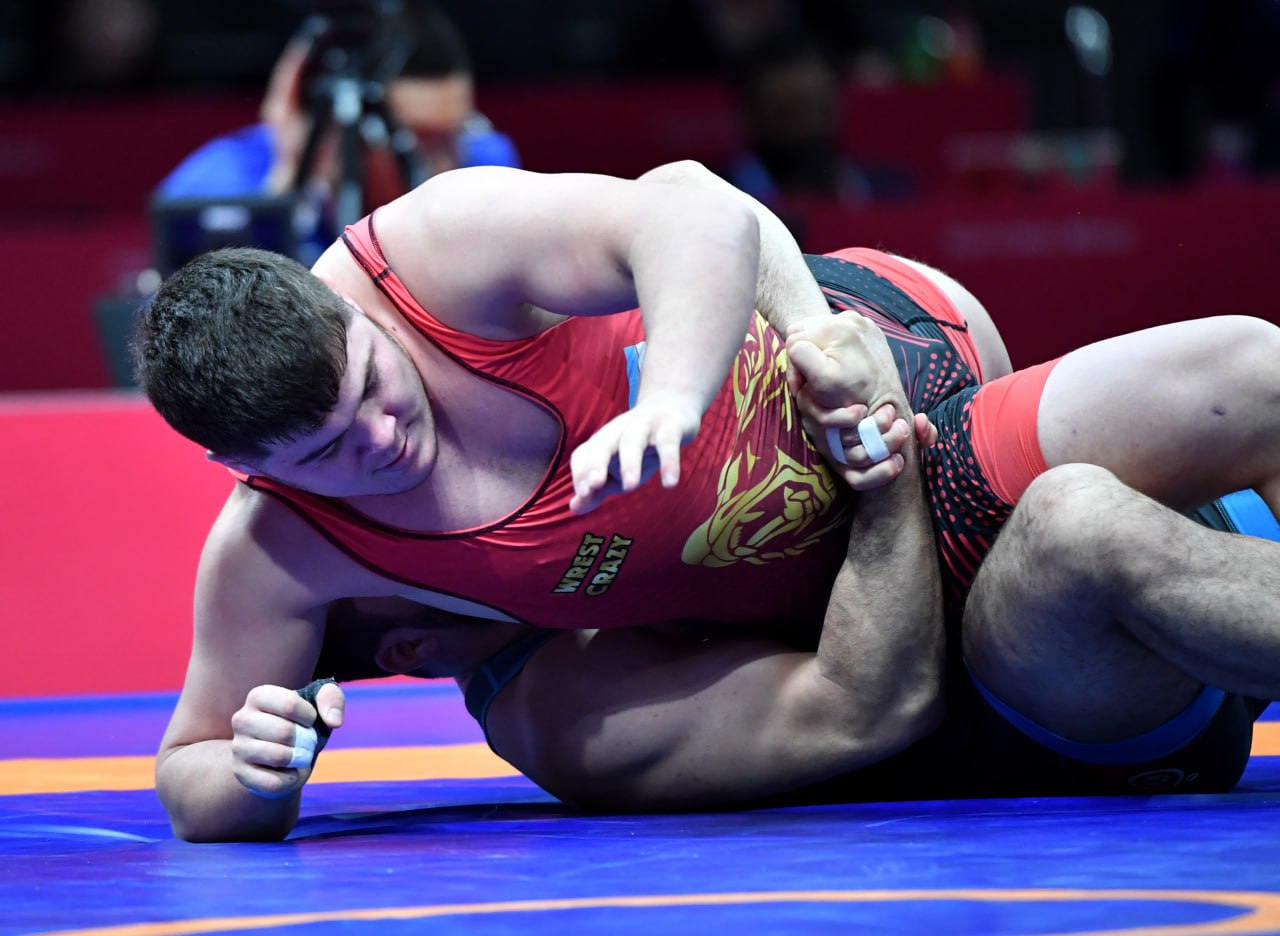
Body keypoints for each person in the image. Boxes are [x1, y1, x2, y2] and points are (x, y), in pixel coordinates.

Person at [135, 159, 1280, 839]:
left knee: (1248, 365)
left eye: (373, 389)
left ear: (351, 315)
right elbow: (191, 769)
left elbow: (692, 206)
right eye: (332, 452)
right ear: (249, 470)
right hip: (919, 526)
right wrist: (254, 779)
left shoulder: (418, 259)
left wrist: (680, 395)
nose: (385, 440)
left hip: (893, 370)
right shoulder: (293, 554)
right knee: (1094, 515)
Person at [154, 2, 518, 259]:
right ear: (336, 122)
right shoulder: (211, 190)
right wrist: (284, 193)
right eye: (420, 139)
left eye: (456, 132)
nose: (448, 165)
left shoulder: (485, 163)